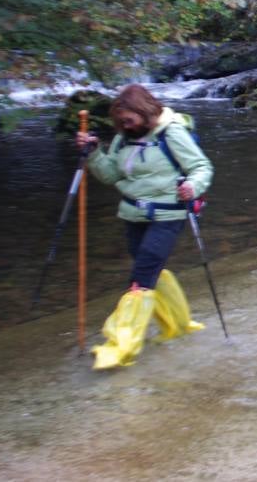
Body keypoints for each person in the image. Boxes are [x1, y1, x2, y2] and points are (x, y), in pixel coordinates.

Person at [75, 84, 211, 370]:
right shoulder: (123, 139)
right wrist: (93, 153)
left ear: (145, 112)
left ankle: (121, 345)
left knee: (140, 279)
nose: (125, 125)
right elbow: (111, 175)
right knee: (151, 269)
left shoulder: (172, 132)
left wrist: (192, 185)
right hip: (133, 215)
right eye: (120, 121)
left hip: (168, 214)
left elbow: (201, 167)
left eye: (129, 120)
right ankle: (178, 323)